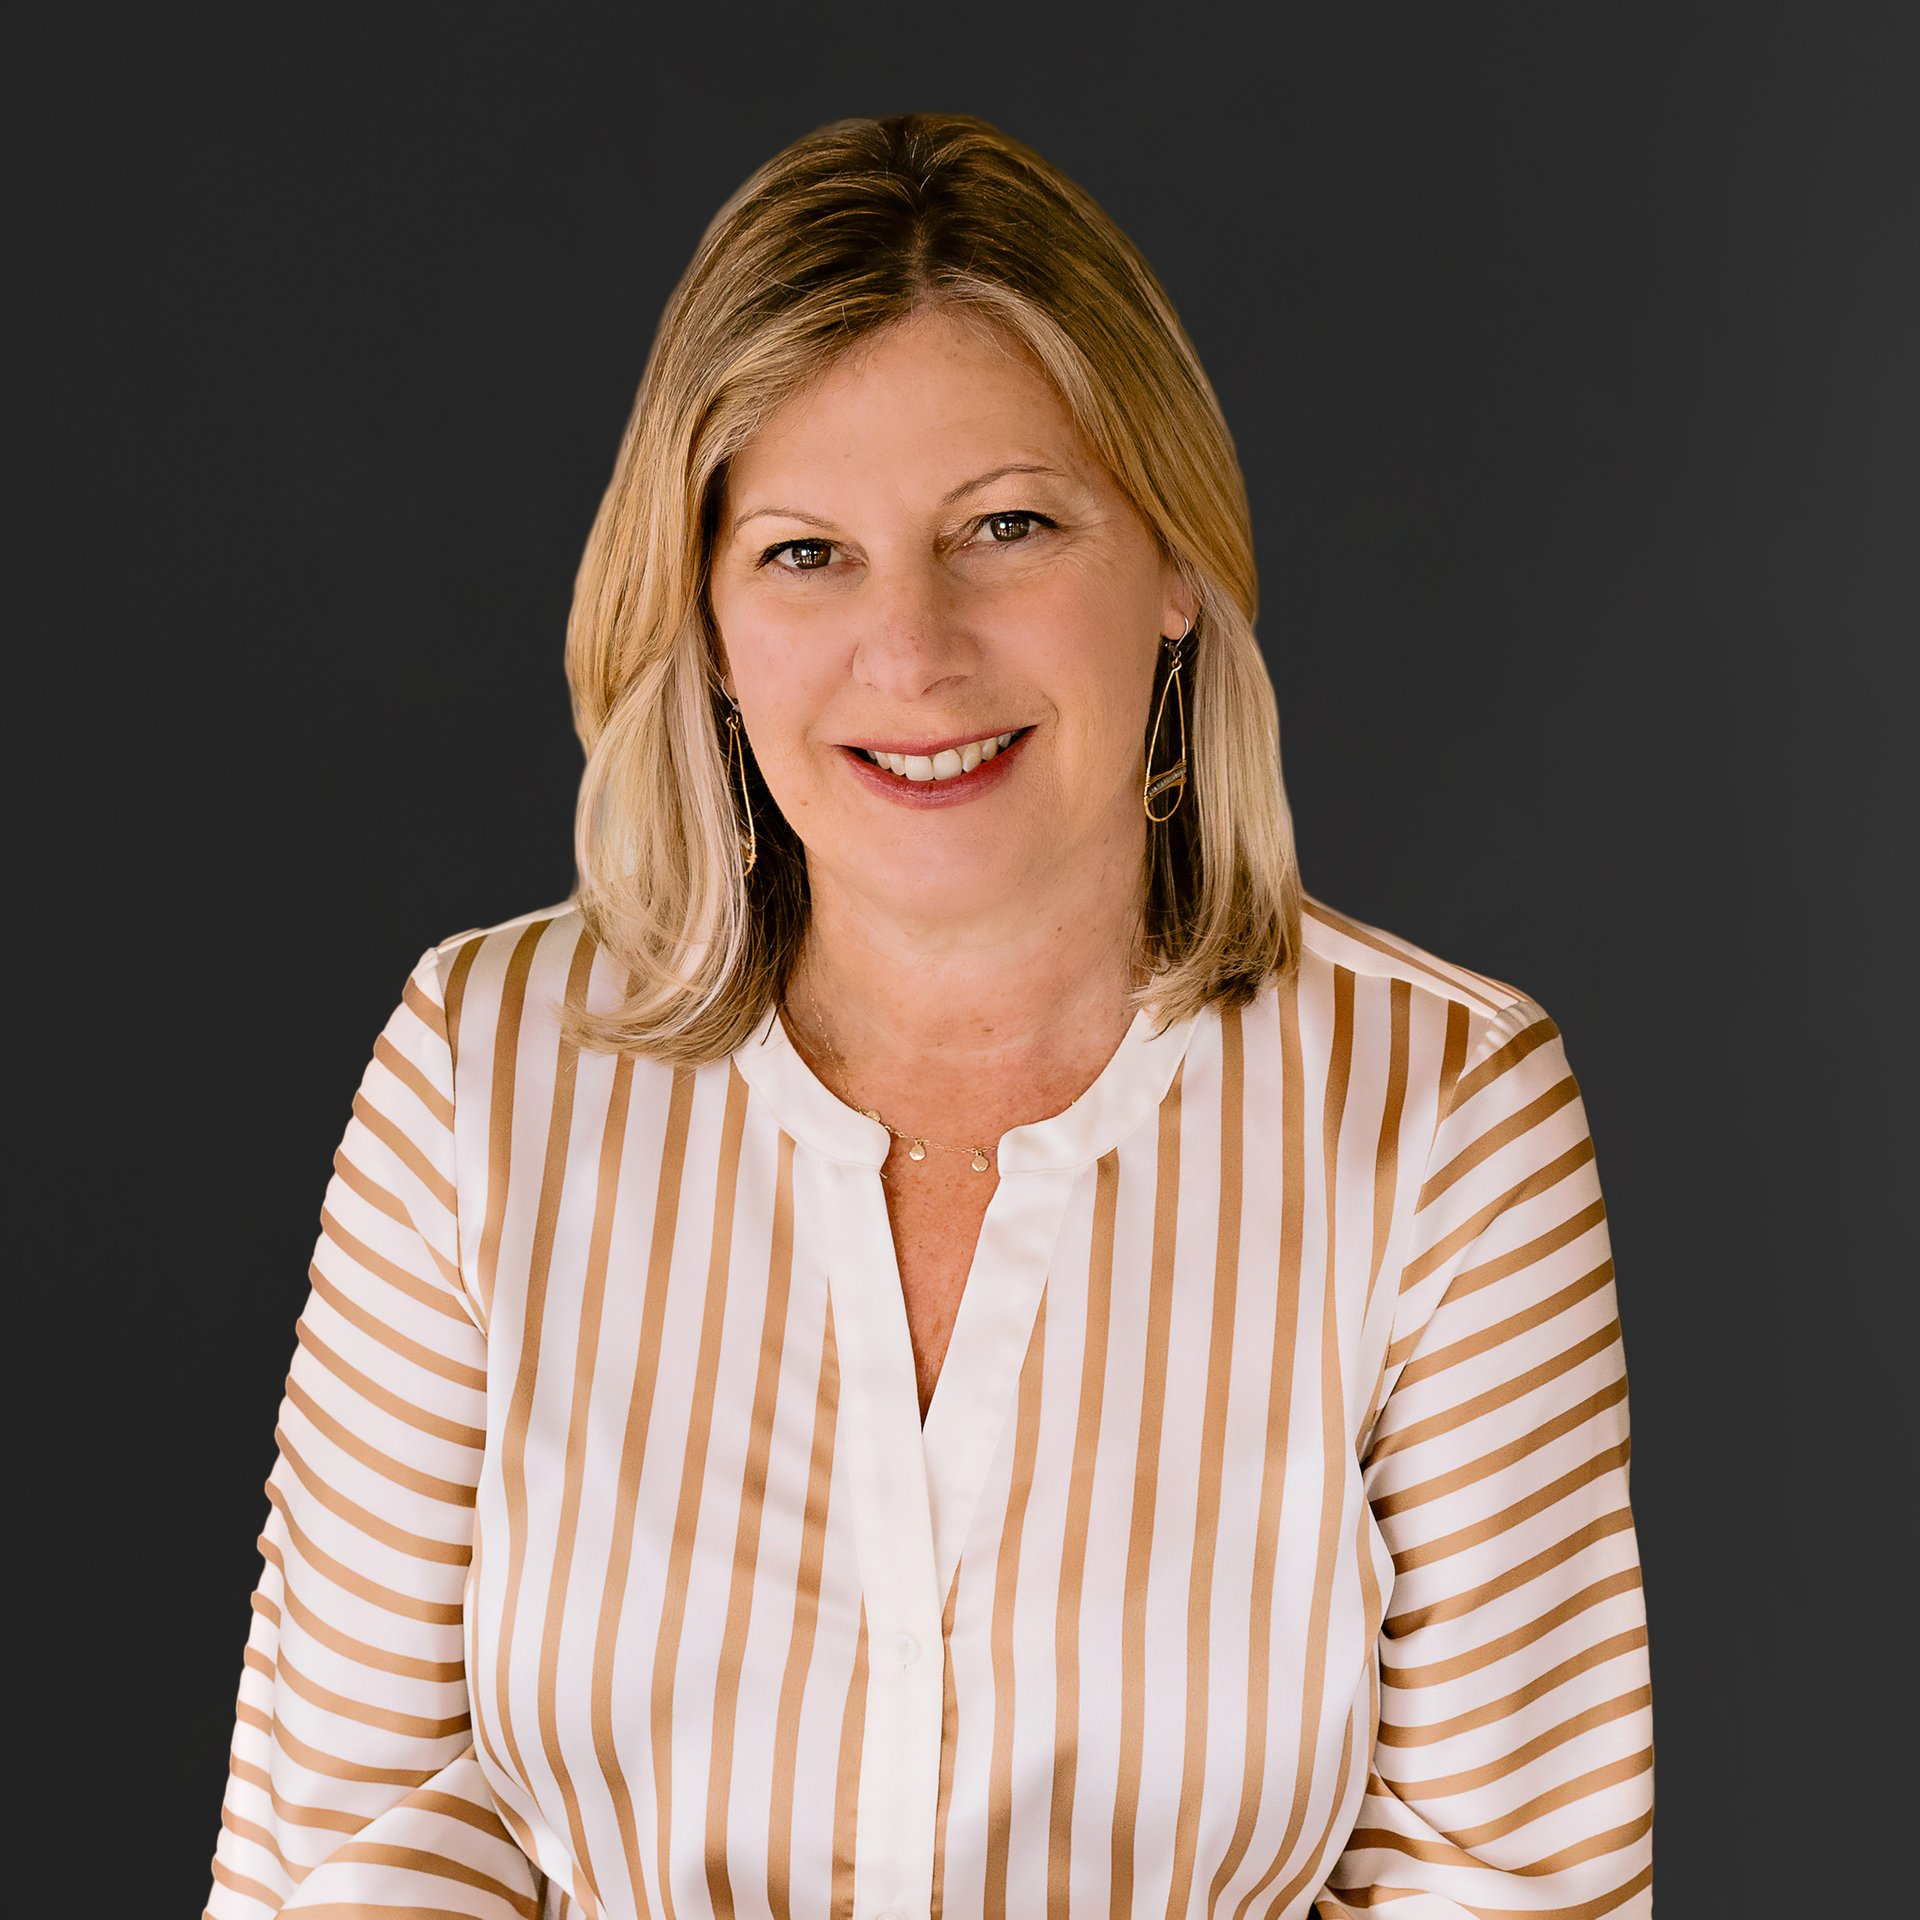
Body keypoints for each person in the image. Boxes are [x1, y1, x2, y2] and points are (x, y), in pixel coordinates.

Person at [203, 112, 1653, 1920]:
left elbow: (1506, 1886)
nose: (914, 651)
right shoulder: (481, 1074)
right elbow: (347, 1841)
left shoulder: (1442, 1112)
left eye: (1008, 525)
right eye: (806, 553)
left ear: (1176, 564)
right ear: (707, 623)